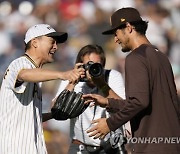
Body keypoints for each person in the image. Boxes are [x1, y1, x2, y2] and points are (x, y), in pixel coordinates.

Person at [83, 7, 180, 154]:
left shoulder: (135, 58)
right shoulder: (161, 56)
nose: (115, 39)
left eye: (116, 33)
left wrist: (109, 124)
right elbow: (148, 101)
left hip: (151, 145)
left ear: (128, 28)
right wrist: (109, 102)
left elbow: (139, 102)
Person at [0, 24, 85, 154]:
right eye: (52, 42)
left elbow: (29, 117)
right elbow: (23, 74)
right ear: (34, 42)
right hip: (16, 149)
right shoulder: (20, 63)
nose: (55, 47)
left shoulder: (35, 73)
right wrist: (62, 74)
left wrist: (52, 115)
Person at [55, 44, 129, 154]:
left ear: (103, 66)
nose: (91, 69)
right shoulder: (71, 79)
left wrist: (102, 84)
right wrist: (72, 83)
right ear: (80, 66)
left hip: (110, 145)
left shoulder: (111, 76)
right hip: (80, 146)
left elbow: (125, 107)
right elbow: (55, 109)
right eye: (87, 66)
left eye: (96, 66)